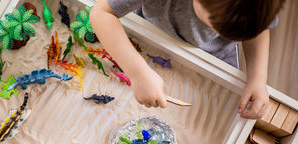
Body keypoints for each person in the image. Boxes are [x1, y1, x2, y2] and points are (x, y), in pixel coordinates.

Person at [90, 0, 285, 119]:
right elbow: (101, 12)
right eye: (216, 26)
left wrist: (258, 77)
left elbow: (257, 32)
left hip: (214, 55)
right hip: (152, 28)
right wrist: (138, 73)